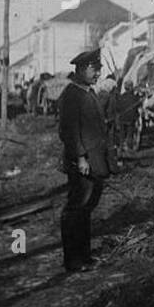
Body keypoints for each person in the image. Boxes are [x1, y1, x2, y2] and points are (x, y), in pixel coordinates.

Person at [58, 48, 113, 273]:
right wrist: (80, 156)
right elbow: (69, 131)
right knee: (76, 208)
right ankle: (73, 260)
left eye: (99, 70)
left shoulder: (87, 92)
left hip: (93, 160)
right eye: (94, 69)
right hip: (82, 162)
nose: (98, 74)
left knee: (86, 209)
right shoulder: (72, 94)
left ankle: (84, 256)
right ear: (80, 69)